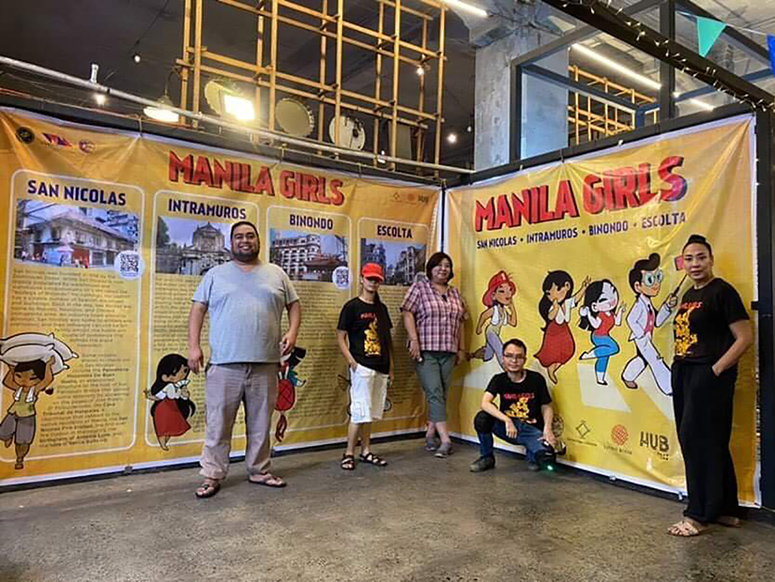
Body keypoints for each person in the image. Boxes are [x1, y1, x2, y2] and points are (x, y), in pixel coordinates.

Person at [188, 220, 301, 498]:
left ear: (258, 241)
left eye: (250, 236)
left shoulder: (276, 274)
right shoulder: (215, 274)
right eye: (239, 236)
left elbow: (294, 305)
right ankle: (212, 475)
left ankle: (259, 470)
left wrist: (292, 332)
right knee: (218, 424)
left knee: (261, 424)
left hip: (266, 364)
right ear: (231, 242)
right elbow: (198, 309)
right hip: (224, 365)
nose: (245, 240)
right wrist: (194, 346)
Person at [668, 234, 752, 537]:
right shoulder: (689, 293)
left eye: (701, 257)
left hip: (708, 375)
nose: (695, 264)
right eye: (689, 259)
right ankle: (725, 508)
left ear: (711, 259)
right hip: (685, 372)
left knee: (697, 441)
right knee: (711, 441)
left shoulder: (722, 292)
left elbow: (745, 337)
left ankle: (698, 515)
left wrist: (715, 370)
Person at [401, 252, 467, 458]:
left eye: (447, 265)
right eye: (439, 265)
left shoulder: (455, 293)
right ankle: (445, 440)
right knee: (435, 392)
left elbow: (461, 322)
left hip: (449, 350)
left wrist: (461, 349)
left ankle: (430, 433)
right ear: (430, 268)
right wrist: (414, 340)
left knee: (441, 393)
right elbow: (407, 312)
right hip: (426, 349)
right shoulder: (420, 288)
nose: (443, 269)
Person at [336, 263, 394, 470]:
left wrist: (391, 367)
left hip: (381, 366)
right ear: (362, 279)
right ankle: (348, 452)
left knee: (370, 411)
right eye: (370, 279)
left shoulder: (382, 309)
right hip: (362, 365)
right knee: (359, 410)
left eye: (376, 280)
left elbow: (387, 340)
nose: (373, 283)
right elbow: (341, 337)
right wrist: (352, 361)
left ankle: (366, 450)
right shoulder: (352, 307)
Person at [470, 339, 557, 473]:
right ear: (503, 358)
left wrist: (547, 429)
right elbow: (485, 403)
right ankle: (487, 457)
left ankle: (533, 454)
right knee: (482, 419)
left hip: (531, 430)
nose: (514, 361)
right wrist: (507, 420)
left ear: (524, 359)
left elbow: (546, 406)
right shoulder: (498, 379)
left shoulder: (536, 379)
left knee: (547, 459)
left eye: (519, 357)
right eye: (509, 356)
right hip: (508, 428)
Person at [621, 253, 677, 395]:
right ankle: (669, 387)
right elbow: (630, 319)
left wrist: (667, 306)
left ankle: (627, 376)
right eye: (650, 280)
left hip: (646, 337)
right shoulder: (639, 305)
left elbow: (657, 321)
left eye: (658, 277)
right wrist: (641, 334)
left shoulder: (648, 304)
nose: (656, 284)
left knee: (642, 360)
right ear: (638, 286)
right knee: (655, 359)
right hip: (642, 338)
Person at [0, 357, 55, 470]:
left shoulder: (34, 390)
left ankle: (19, 459)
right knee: (3, 431)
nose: (24, 381)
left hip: (27, 417)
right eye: (19, 376)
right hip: (13, 413)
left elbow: (47, 380)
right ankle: (7, 437)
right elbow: (7, 382)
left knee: (23, 440)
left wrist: (49, 365)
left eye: (32, 378)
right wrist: (11, 368)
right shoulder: (18, 388)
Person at [578, 279, 627, 385]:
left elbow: (617, 322)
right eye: (605, 299)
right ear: (595, 306)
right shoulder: (601, 315)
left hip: (605, 336)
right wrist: (588, 314)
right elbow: (596, 325)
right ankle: (589, 354)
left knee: (604, 357)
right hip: (598, 336)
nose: (611, 300)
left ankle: (600, 378)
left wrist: (620, 311)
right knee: (614, 348)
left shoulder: (611, 314)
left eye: (613, 293)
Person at [146, 354, 196, 451]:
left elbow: (182, 397)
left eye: (185, 371)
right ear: (166, 377)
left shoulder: (177, 386)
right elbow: (164, 396)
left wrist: (185, 395)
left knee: (171, 426)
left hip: (173, 407)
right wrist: (151, 396)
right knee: (164, 426)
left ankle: (164, 442)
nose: (183, 375)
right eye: (181, 371)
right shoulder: (169, 387)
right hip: (164, 408)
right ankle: (162, 442)